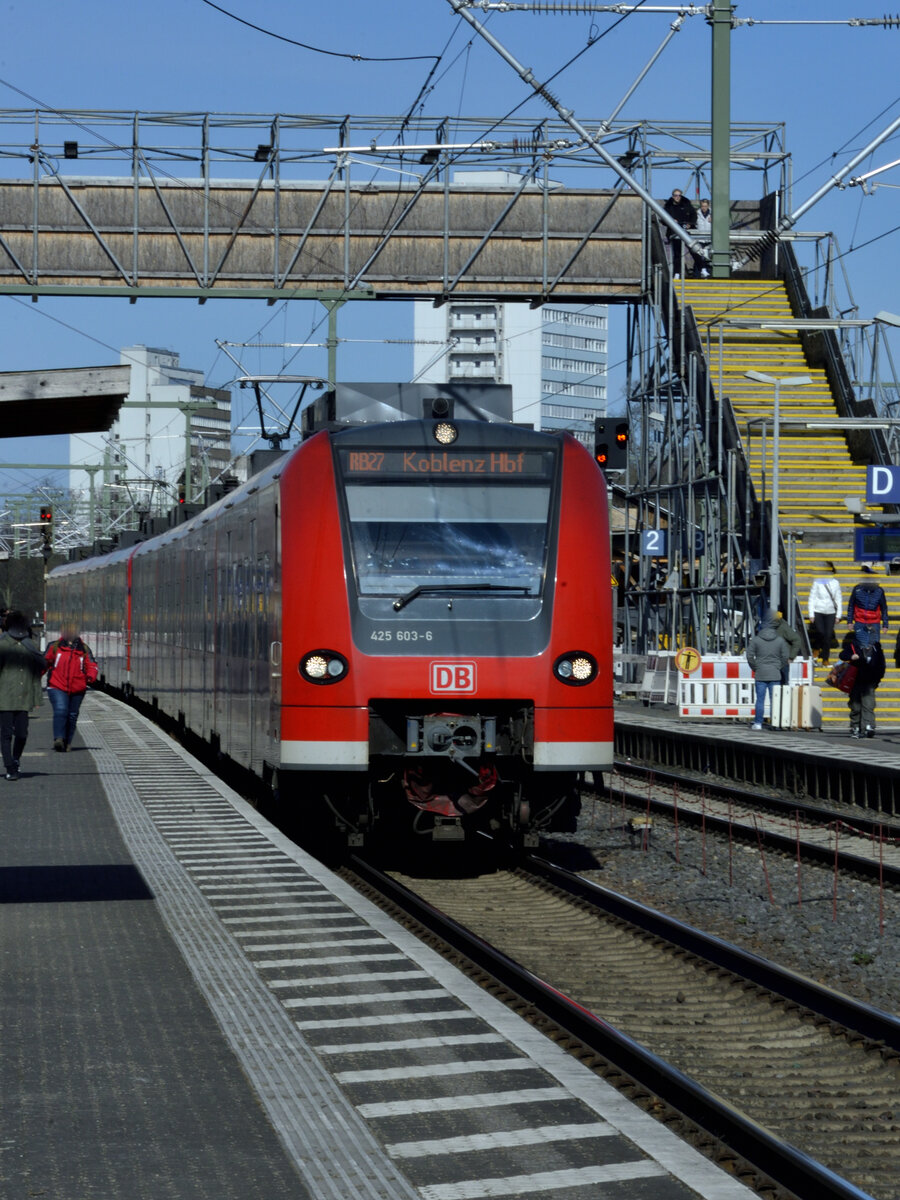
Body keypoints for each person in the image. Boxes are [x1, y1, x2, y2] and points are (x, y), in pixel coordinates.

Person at [0, 610, 47, 781]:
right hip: (4, 697)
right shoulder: (2, 644)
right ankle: (10, 767)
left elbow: (41, 664)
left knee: (22, 734)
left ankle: (16, 759)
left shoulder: (30, 645)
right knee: (5, 734)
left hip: (24, 696)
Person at [44, 624, 98, 751]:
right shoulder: (54, 646)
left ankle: (67, 741)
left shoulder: (84, 649)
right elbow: (44, 662)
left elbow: (91, 664)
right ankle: (59, 738)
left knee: (72, 715)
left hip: (77, 687)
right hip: (57, 685)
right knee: (61, 709)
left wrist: (90, 676)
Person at [838, 632, 885, 738]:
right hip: (855, 680)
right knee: (855, 706)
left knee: (868, 704)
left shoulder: (876, 648)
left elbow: (881, 665)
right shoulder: (854, 646)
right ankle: (855, 726)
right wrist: (851, 656)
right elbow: (842, 655)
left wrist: (877, 679)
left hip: (870, 681)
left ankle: (868, 726)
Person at [746, 615, 789, 731]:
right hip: (775, 674)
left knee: (760, 700)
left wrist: (755, 667)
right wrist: (778, 666)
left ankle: (758, 723)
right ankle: (775, 723)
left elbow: (749, 656)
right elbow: (785, 657)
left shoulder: (756, 640)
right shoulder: (780, 640)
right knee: (774, 700)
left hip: (760, 674)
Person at [846, 565, 888, 648]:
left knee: (874, 647)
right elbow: (851, 606)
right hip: (859, 622)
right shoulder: (857, 589)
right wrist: (849, 621)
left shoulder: (879, 591)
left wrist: (885, 624)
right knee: (861, 647)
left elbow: (884, 608)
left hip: (874, 623)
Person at [807, 562, 841, 665]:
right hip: (818, 611)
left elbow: (838, 599)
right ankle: (816, 649)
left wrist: (838, 615)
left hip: (831, 612)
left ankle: (825, 658)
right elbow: (812, 598)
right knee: (820, 632)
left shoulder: (836, 583)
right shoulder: (817, 582)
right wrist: (811, 614)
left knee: (828, 635)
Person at [663, 188, 696, 279]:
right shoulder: (668, 206)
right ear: (672, 196)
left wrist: (690, 224)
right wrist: (671, 221)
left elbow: (693, 215)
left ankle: (702, 269)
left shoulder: (686, 204)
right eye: (675, 195)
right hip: (674, 233)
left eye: (679, 195)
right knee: (677, 254)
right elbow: (663, 219)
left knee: (694, 250)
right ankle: (677, 273)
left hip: (686, 232)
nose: (677, 197)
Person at [770, 611, 802, 684]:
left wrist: (791, 657)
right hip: (772, 660)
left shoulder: (783, 628)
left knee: (782, 684)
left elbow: (797, 640)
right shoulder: (771, 627)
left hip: (782, 661)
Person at [692, 197, 711, 277]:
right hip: (700, 239)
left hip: (709, 240)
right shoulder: (697, 214)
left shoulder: (713, 214)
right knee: (699, 257)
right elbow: (693, 225)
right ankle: (696, 275)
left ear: (708, 206)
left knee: (708, 258)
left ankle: (708, 275)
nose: (704, 208)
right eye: (703, 206)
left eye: (705, 206)